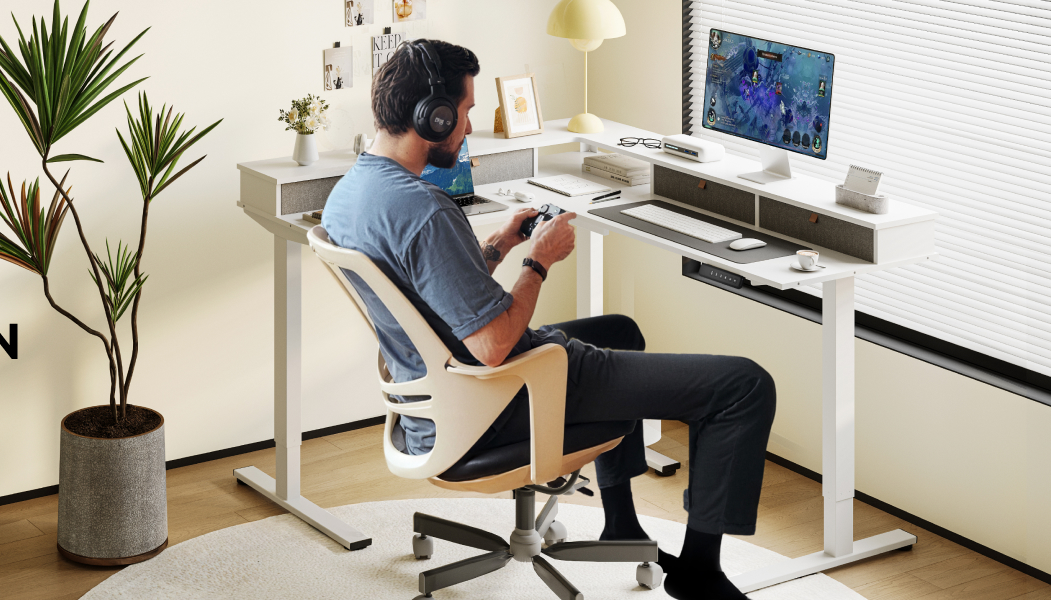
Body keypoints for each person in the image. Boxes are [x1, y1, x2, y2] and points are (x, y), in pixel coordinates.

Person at [321, 39, 776, 600]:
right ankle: (702, 574)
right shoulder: (425, 210)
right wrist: (540, 259)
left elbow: (422, 291)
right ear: (432, 117)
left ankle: (621, 524)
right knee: (744, 385)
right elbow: (492, 344)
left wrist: (497, 247)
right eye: (462, 113)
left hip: (439, 391)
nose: (466, 127)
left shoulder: (353, 192)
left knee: (618, 332)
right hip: (502, 394)